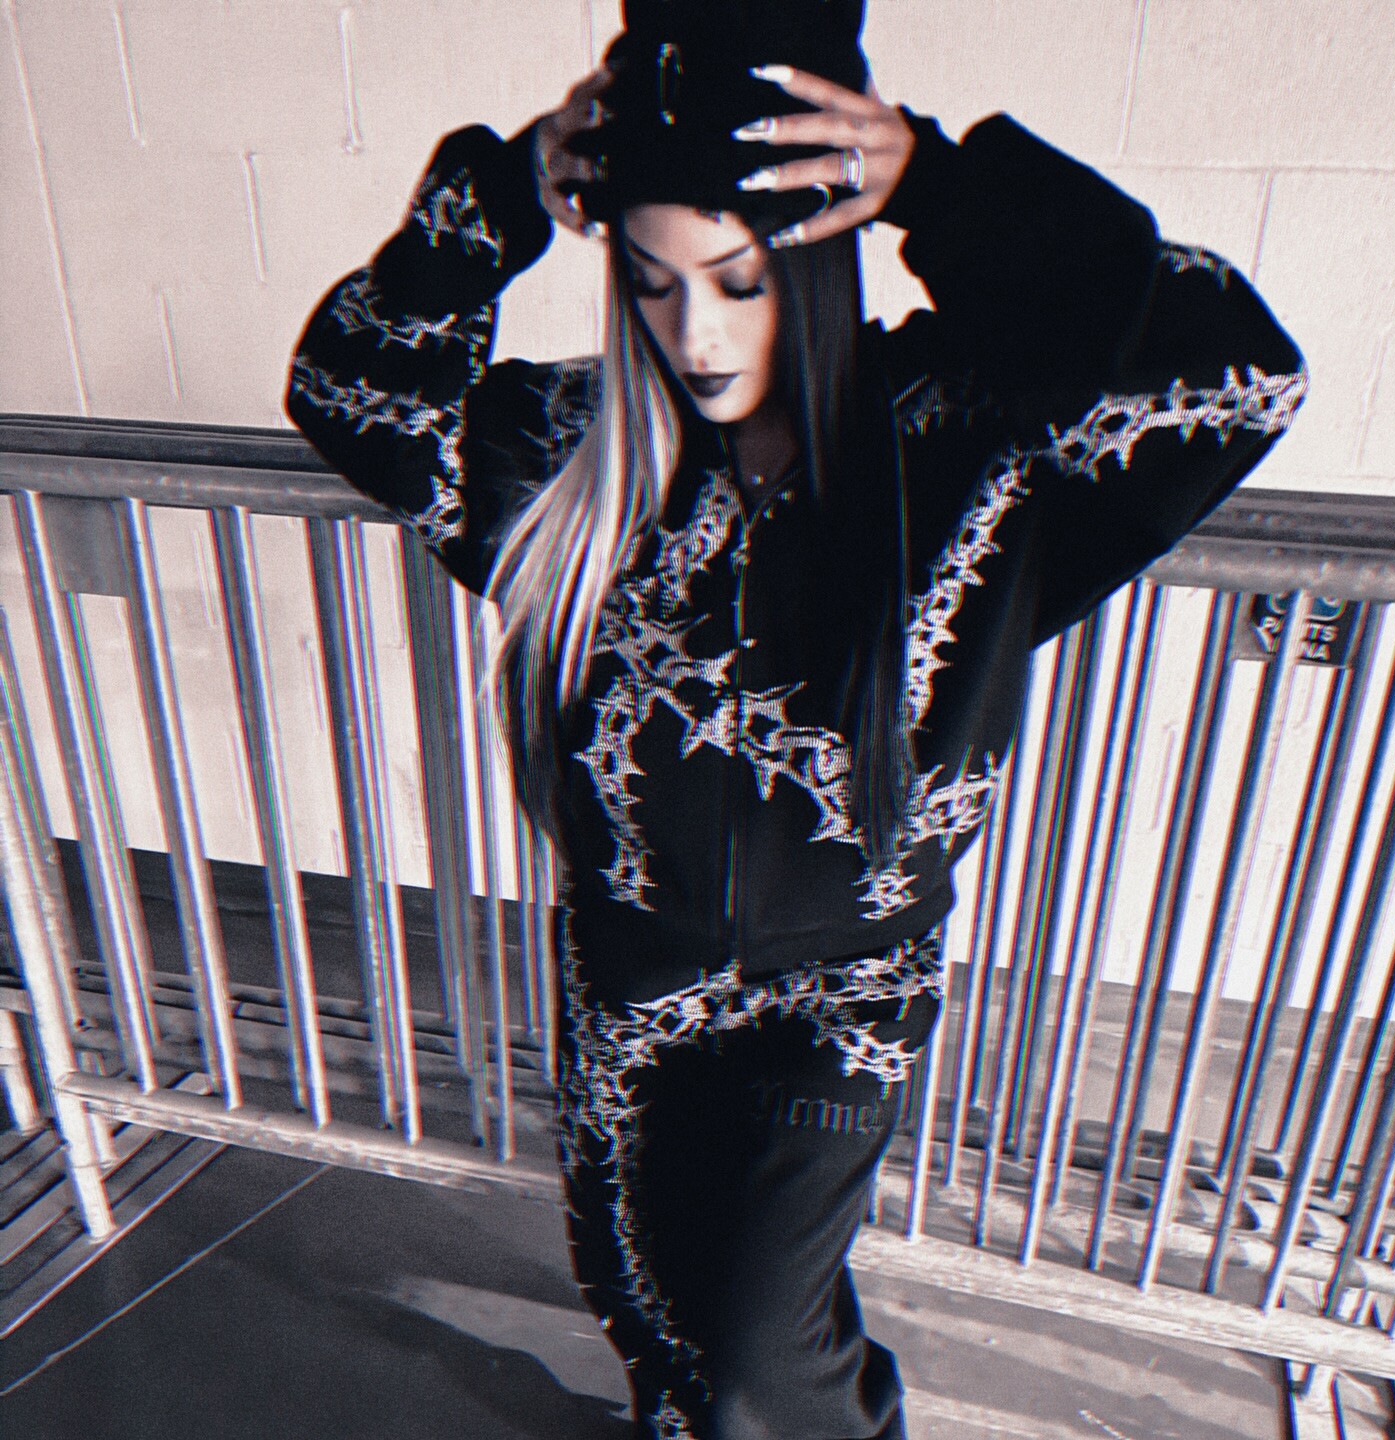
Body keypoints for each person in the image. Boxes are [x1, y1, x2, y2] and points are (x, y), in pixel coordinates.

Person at [285, 3, 1306, 1435]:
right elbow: (353, 394)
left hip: (842, 1000)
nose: (695, 333)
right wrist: (505, 188)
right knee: (654, 1317)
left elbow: (1237, 371)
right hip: (632, 984)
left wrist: (944, 186)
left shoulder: (963, 444)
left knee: (763, 1346)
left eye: (741, 281)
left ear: (815, 258)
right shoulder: (574, 457)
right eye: (652, 284)